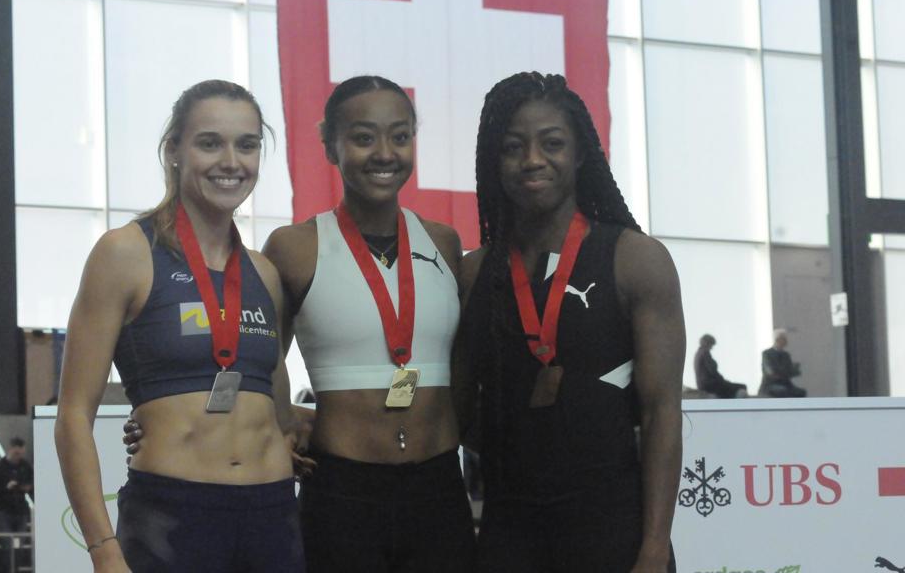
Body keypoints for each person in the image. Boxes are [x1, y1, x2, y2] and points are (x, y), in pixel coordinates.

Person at [127, 75, 475, 572]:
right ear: (330, 145)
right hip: (342, 490)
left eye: (400, 136)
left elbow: (463, 360)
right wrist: (279, 419)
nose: (384, 153)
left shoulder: (443, 242)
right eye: (362, 137)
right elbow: (256, 358)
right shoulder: (294, 248)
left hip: (439, 486)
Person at [55, 79, 303, 573]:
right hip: (173, 518)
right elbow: (73, 417)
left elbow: (276, 409)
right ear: (174, 150)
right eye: (209, 143)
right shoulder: (125, 253)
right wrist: (104, 550)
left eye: (247, 144)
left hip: (272, 514)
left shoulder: (264, 274)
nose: (231, 161)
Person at [454, 72, 684, 572]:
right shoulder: (473, 273)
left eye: (551, 143)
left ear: (579, 154)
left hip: (612, 530)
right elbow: (454, 409)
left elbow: (663, 412)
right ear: (496, 162)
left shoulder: (635, 260)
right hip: (509, 530)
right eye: (513, 147)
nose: (532, 160)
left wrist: (653, 546)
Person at [0, 437, 33, 572]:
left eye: (20, 452)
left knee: (18, 545)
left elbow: (32, 485)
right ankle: (8, 569)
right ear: (10, 449)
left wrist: (27, 488)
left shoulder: (26, 467)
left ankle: (14, 569)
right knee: (7, 544)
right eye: (16, 452)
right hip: (4, 511)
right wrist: (6, 488)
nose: (18, 455)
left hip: (20, 511)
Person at [759, 329, 806, 398]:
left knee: (801, 392)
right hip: (770, 385)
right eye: (784, 339)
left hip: (786, 384)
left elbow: (790, 370)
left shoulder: (786, 355)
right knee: (782, 391)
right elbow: (770, 371)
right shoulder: (767, 354)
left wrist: (794, 369)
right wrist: (784, 371)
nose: (786, 341)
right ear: (777, 340)